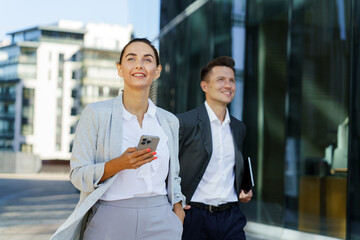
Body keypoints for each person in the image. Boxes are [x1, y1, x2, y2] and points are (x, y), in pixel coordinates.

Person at [50, 38, 185, 240]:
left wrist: (178, 209)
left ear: (157, 71)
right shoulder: (96, 113)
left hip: (161, 220)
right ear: (120, 69)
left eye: (147, 60)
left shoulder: (169, 121)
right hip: (110, 219)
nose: (139, 65)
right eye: (131, 59)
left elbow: (173, 175)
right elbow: (78, 174)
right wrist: (117, 164)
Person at [176, 56, 253, 240]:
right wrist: (175, 204)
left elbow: (234, 168)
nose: (228, 85)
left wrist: (244, 189)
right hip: (195, 216)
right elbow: (169, 168)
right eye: (221, 80)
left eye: (232, 81)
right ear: (204, 86)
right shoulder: (183, 122)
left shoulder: (238, 127)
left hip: (232, 216)